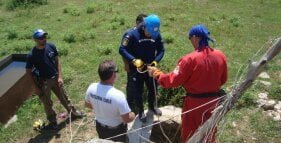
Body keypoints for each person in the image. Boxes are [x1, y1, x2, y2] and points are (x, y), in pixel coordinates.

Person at [148, 24, 227, 143]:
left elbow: (172, 80)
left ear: (195, 38)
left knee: (191, 134)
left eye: (190, 39)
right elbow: (223, 79)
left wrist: (157, 74)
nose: (191, 42)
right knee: (209, 133)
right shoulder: (220, 56)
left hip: (194, 105)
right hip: (213, 103)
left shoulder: (189, 59)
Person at [26, 29, 84, 130]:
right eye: (41, 38)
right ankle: (53, 122)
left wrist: (60, 76)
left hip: (56, 77)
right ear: (35, 40)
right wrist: (36, 88)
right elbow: (28, 72)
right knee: (47, 103)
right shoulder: (32, 55)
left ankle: (73, 113)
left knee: (64, 97)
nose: (44, 39)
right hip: (43, 82)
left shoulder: (51, 46)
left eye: (45, 36)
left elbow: (57, 60)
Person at [119, 14, 165, 122]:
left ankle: (152, 107)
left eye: (153, 34)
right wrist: (134, 60)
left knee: (153, 89)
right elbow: (122, 49)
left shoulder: (155, 33)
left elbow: (161, 50)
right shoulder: (131, 34)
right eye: (149, 33)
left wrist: (155, 62)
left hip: (150, 68)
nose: (151, 36)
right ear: (144, 26)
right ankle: (140, 111)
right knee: (138, 91)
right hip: (136, 68)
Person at [85, 60, 135, 142]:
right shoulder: (118, 95)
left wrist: (101, 107)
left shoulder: (91, 87)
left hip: (100, 127)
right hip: (117, 131)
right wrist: (133, 114)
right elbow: (127, 119)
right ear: (113, 75)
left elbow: (87, 104)